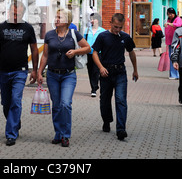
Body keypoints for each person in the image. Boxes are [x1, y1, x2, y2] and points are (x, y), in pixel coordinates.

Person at [0, 1, 39, 146]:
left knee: (15, 100)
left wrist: (35, 70)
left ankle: (11, 134)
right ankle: (15, 122)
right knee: (6, 103)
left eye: (17, 14)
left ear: (22, 14)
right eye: (12, 13)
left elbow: (34, 50)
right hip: (4, 71)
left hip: (20, 71)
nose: (14, 16)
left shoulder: (28, 28)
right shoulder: (1, 27)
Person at [37, 8, 90, 147]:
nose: (56, 19)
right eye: (56, 17)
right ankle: (58, 133)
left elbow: (88, 48)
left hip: (68, 75)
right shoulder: (49, 35)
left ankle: (65, 135)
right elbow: (45, 55)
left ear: (67, 21)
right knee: (56, 105)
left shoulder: (74, 33)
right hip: (52, 75)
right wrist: (39, 72)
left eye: (60, 17)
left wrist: (75, 51)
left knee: (65, 104)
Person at [92, 13, 139, 141]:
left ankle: (121, 129)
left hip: (120, 73)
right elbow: (94, 53)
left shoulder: (125, 37)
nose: (118, 29)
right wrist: (101, 67)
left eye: (120, 27)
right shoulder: (103, 36)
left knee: (121, 100)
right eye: (116, 26)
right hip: (106, 72)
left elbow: (131, 53)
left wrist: (135, 70)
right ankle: (106, 121)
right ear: (111, 23)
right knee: (105, 100)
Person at [85, 13, 106, 97]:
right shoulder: (87, 30)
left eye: (94, 19)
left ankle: (94, 88)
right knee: (90, 70)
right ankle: (93, 86)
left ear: (98, 20)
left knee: (96, 70)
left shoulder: (103, 31)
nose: (92, 21)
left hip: (98, 53)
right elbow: (84, 41)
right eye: (91, 19)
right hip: (89, 53)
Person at [164, 8, 182, 79]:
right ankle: (173, 74)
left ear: (174, 13)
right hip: (170, 41)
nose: (169, 15)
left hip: (176, 41)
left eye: (171, 14)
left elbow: (178, 24)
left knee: (175, 58)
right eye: (168, 14)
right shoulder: (169, 20)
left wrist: (169, 24)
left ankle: (175, 74)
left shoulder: (177, 19)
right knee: (171, 57)